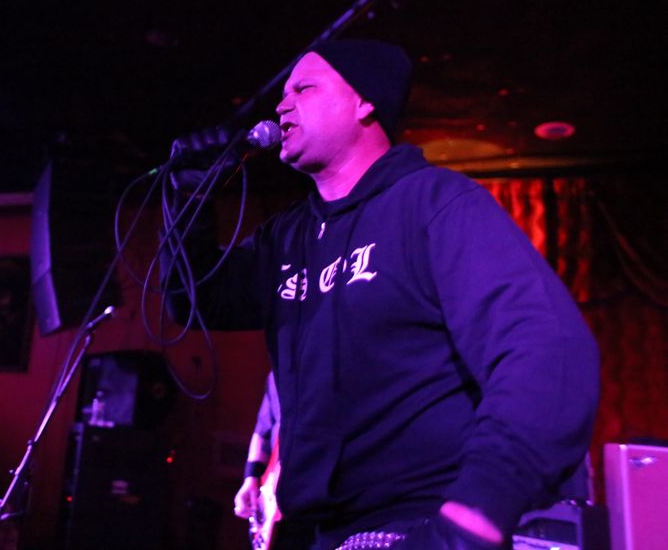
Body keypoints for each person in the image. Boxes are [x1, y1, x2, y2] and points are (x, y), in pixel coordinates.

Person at [164, 40, 599, 549]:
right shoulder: (288, 237)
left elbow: (546, 349)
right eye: (283, 93)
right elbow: (194, 299)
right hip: (319, 530)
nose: (282, 105)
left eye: (304, 88)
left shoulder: (436, 203)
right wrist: (190, 200)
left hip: (417, 524)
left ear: (364, 102)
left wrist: (477, 513)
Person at [234, 372, 314, 550]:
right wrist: (251, 478)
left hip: (309, 504)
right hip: (275, 504)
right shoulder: (276, 374)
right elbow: (263, 430)